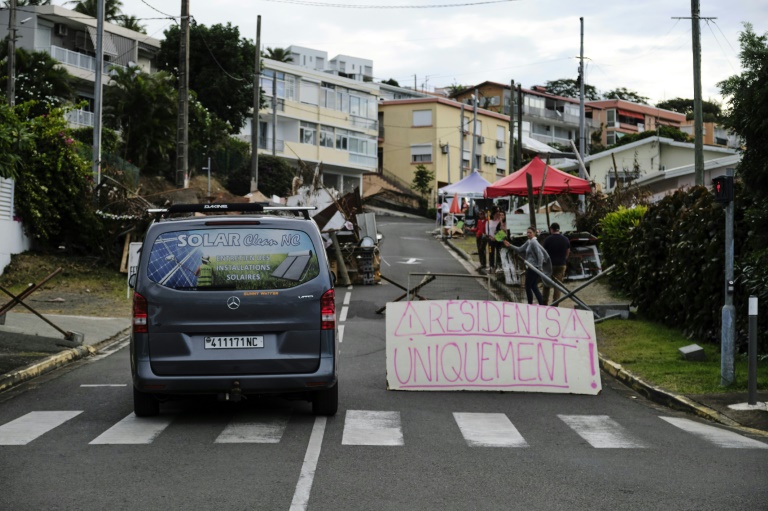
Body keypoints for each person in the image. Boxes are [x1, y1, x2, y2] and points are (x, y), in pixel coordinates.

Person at [503, 227, 550, 305]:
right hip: (530, 266)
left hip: (533, 267)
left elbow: (540, 255)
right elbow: (520, 249)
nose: (528, 234)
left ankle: (530, 303)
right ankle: (541, 303)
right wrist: (510, 245)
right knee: (533, 286)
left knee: (528, 286)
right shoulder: (529, 242)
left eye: (530, 232)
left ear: (534, 233)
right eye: (527, 232)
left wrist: (539, 267)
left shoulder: (533, 242)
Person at [542, 222, 571, 306]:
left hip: (549, 265)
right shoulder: (565, 239)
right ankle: (555, 304)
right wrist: (564, 259)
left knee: (546, 284)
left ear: (551, 229)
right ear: (559, 229)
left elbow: (544, 253)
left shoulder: (548, 239)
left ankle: (544, 303)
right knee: (558, 286)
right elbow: (568, 251)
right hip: (561, 265)